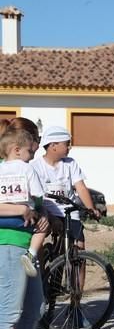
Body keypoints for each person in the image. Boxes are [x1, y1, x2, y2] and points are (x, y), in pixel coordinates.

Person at [0, 125, 50, 329]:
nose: (32, 156)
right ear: (16, 147)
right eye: (31, 150)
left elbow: (38, 202)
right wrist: (22, 209)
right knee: (8, 312)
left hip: (25, 244)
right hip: (8, 244)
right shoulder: (12, 169)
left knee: (33, 307)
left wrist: (40, 213)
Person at [30, 126, 102, 256]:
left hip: (69, 211)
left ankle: (78, 276)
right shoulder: (35, 166)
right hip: (48, 211)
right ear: (53, 145)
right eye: (67, 144)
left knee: (79, 246)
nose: (69, 147)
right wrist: (48, 216)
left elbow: (80, 186)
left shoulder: (70, 163)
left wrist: (91, 208)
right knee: (39, 239)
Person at [0, 119, 47, 277]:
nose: (37, 145)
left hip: (11, 230)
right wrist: (26, 208)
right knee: (41, 229)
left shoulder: (2, 167)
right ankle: (31, 253)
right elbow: (38, 194)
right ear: (18, 149)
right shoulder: (27, 168)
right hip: (15, 238)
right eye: (36, 139)